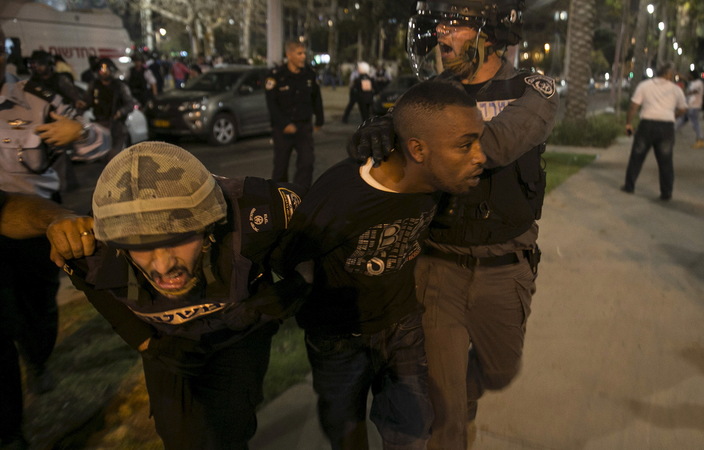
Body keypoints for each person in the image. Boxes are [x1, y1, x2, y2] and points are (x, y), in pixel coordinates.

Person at [350, 1, 559, 447]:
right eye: (440, 22)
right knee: (445, 411)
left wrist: (414, 130)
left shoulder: (533, 89)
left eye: (456, 23)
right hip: (438, 264)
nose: (441, 33)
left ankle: (461, 400)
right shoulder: (430, 92)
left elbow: (496, 146)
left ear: (491, 33)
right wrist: (383, 128)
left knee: (500, 368)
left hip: (505, 265)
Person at [52, 141, 310, 449]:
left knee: (233, 429)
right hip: (169, 343)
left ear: (210, 226)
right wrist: (146, 342)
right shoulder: (92, 250)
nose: (162, 266)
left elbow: (329, 234)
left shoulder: (253, 214)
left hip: (240, 338)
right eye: (141, 245)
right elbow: (95, 289)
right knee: (178, 435)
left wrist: (294, 286)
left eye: (178, 238)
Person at [273, 80, 487, 450]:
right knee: (347, 432)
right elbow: (289, 259)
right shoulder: (341, 197)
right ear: (417, 149)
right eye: (465, 145)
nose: (480, 155)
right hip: (339, 341)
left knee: (413, 429)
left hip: (402, 327)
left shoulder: (438, 182)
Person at [0, 24, 110, 450]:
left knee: (40, 305)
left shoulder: (36, 101)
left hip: (35, 222)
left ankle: (39, 358)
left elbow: (101, 142)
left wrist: (79, 133)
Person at [622, 61, 687, 201]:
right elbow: (683, 109)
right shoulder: (676, 90)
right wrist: (672, 116)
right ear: (669, 74)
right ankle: (666, 192)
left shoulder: (645, 86)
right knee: (665, 161)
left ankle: (629, 186)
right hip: (666, 127)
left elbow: (634, 106)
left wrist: (628, 124)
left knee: (637, 156)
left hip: (647, 124)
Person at [265, 40, 324, 189]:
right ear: (289, 55)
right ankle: (279, 198)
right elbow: (272, 104)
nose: (303, 56)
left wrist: (319, 120)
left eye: (304, 53)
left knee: (307, 163)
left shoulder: (309, 75)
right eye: (299, 53)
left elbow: (316, 98)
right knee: (280, 167)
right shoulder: (276, 76)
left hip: (303, 126)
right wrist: (284, 124)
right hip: (282, 129)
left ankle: (300, 196)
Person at [85, 57, 136, 161]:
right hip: (100, 125)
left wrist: (121, 112)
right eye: (101, 70)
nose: (104, 72)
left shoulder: (120, 86)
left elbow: (130, 104)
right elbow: (87, 102)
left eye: (106, 69)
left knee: (116, 158)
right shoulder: (94, 85)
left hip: (116, 125)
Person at [675, 70, 704, 148]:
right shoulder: (692, 83)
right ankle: (669, 134)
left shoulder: (699, 83)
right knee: (681, 121)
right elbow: (685, 79)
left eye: (689, 75)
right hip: (688, 106)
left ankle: (700, 139)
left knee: (695, 123)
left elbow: (695, 91)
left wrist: (685, 93)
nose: (688, 76)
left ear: (693, 75)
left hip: (694, 106)